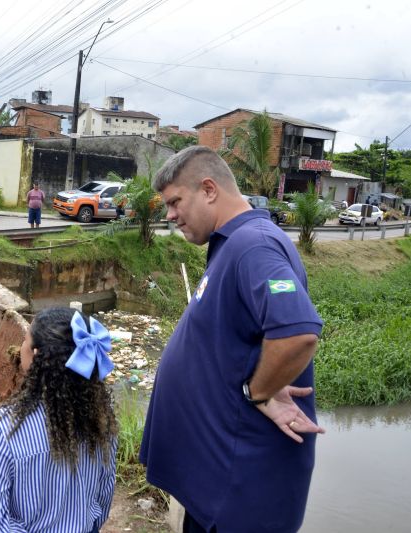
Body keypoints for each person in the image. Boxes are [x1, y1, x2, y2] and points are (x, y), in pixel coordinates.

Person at [139, 146, 325, 533]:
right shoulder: (231, 244)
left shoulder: (253, 245)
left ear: (208, 190)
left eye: (175, 202)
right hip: (216, 485)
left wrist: (258, 391)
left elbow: (298, 333)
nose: (169, 215)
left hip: (242, 493)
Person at [0, 307, 117, 532]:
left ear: (36, 355)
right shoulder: (102, 424)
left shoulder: (5, 430)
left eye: (25, 339)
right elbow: (102, 502)